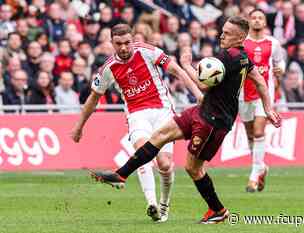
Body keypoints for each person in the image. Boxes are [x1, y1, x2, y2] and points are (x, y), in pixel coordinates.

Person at [77, 16, 281, 224]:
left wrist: (186, 65)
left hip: (214, 121)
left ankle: (217, 210)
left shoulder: (229, 57)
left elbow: (203, 85)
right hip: (202, 111)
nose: (221, 34)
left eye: (227, 33)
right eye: (223, 30)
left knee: (193, 168)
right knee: (160, 135)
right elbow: (259, 81)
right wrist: (268, 108)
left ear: (239, 37)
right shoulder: (243, 56)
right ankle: (121, 174)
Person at [70, 24, 202, 222]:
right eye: (118, 44)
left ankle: (164, 203)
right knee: (143, 155)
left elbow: (177, 71)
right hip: (137, 115)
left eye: (127, 43)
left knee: (165, 165)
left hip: (162, 111)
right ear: (111, 43)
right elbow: (93, 98)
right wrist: (79, 126)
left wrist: (198, 94)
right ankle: (152, 204)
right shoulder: (107, 69)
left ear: (133, 40)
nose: (123, 48)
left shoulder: (148, 51)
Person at [241, 9, 285, 193]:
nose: (257, 20)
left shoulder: (273, 43)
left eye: (260, 18)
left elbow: (280, 62)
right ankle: (261, 168)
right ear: (249, 21)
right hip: (243, 93)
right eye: (254, 18)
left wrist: (280, 70)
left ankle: (253, 177)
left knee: (259, 131)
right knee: (250, 134)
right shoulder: (242, 43)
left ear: (265, 23)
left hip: (264, 94)